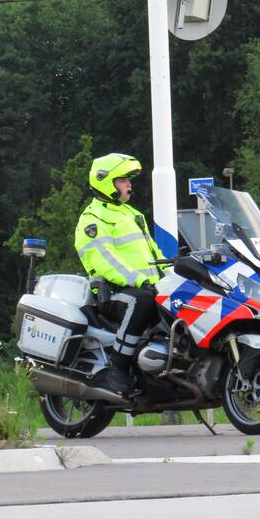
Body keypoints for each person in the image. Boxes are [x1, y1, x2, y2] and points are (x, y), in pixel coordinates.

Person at [75, 153, 164, 394]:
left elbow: (154, 253)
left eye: (128, 180)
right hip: (113, 293)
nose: (129, 184)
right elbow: (104, 260)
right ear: (106, 181)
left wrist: (174, 274)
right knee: (142, 302)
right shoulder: (92, 220)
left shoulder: (132, 214)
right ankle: (117, 368)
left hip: (147, 287)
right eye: (123, 180)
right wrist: (140, 280)